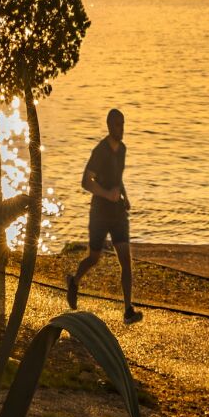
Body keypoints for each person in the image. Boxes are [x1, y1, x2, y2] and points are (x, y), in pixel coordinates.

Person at [66, 108, 142, 322]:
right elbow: (86, 181)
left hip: (118, 214)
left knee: (126, 261)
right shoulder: (100, 150)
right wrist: (107, 194)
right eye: (118, 125)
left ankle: (128, 310)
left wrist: (125, 197)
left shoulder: (123, 149)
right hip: (99, 213)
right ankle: (74, 281)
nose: (122, 129)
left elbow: (118, 178)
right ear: (110, 126)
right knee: (94, 257)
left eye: (123, 124)